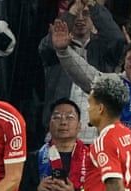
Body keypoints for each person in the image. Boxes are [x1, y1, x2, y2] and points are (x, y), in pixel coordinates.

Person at [38, 0, 125, 144]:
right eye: (76, 14)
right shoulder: (54, 49)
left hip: (97, 136)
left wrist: (93, 5)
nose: (80, 19)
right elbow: (47, 46)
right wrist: (71, 13)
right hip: (59, 134)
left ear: (93, 18)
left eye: (85, 14)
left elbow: (117, 39)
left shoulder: (104, 50)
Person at [19, 98, 89, 191]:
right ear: (49, 124)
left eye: (70, 117)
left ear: (79, 126)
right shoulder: (32, 159)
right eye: (57, 117)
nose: (63, 122)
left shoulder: (92, 158)